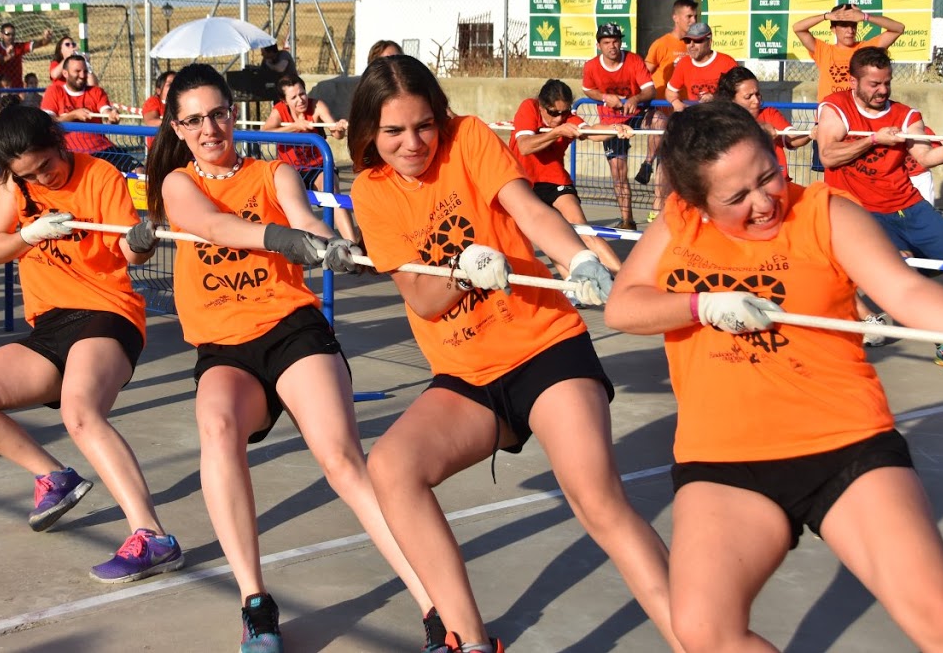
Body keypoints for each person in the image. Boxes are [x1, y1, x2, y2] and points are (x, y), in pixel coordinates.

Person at [604, 99, 943, 653]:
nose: (763, 203)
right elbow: (624, 307)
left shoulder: (826, 212)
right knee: (704, 631)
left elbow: (904, 290)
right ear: (698, 202)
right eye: (736, 197)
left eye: (768, 177)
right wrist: (700, 305)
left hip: (843, 443)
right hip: (723, 457)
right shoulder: (677, 222)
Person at [347, 54, 681, 653]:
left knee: (596, 497)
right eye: (393, 131)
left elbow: (528, 208)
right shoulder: (370, 192)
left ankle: (697, 639)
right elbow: (421, 298)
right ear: (369, 131)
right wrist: (462, 271)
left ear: (439, 116)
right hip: (467, 374)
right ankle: (470, 642)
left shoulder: (469, 138)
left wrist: (577, 258)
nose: (413, 143)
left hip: (545, 347)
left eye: (423, 125)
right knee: (391, 468)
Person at [144, 63, 438, 653]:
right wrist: (281, 239)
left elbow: (303, 220)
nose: (209, 129)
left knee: (341, 460)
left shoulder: (272, 172)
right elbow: (214, 225)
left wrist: (330, 246)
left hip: (290, 328)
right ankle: (256, 604)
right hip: (224, 345)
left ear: (234, 113)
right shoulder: (178, 183)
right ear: (176, 128)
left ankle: (437, 605)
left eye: (218, 114)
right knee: (217, 427)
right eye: (194, 120)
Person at [0, 104, 183, 582]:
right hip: (50, 323)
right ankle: (54, 477)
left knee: (80, 411)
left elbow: (127, 253)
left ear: (58, 140)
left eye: (46, 165)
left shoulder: (100, 176)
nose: (42, 179)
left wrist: (141, 240)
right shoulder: (15, 186)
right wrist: (28, 233)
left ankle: (153, 538)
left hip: (107, 313)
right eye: (28, 174)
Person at [818, 46, 943, 371]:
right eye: (874, 84)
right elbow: (828, 155)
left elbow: (926, 157)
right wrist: (873, 140)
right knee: (905, 269)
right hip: (865, 212)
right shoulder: (835, 108)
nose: (882, 90)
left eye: (887, 83)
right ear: (853, 82)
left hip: (909, 206)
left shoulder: (906, 115)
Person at [509, 78, 631, 271]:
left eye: (564, 112)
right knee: (551, 240)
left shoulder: (568, 119)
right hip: (524, 185)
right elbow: (524, 146)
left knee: (584, 231)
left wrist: (616, 129)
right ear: (541, 106)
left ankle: (624, 279)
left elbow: (591, 132)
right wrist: (556, 132)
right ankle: (573, 286)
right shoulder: (529, 107)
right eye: (553, 113)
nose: (559, 118)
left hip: (555, 181)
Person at [259, 75, 355, 241]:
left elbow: (336, 133)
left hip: (318, 166)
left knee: (332, 190)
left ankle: (352, 244)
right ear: (284, 101)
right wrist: (295, 127)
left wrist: (339, 128)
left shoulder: (317, 106)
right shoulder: (279, 111)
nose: (300, 100)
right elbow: (264, 134)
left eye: (302, 94)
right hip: (290, 170)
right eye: (294, 97)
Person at [580, 22, 654, 230]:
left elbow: (650, 90)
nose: (612, 46)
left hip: (637, 115)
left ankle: (649, 163)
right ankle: (627, 220)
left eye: (615, 41)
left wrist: (635, 99)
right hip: (612, 122)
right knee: (617, 170)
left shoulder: (633, 60)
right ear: (598, 45)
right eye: (606, 42)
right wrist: (605, 97)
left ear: (620, 42)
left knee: (661, 123)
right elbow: (587, 89)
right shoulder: (591, 66)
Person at [640, 0, 698, 197]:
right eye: (689, 16)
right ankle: (647, 163)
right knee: (663, 150)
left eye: (695, 16)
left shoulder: (694, 45)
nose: (693, 20)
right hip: (662, 108)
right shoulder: (662, 44)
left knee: (671, 161)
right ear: (676, 17)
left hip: (684, 110)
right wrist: (643, 101)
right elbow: (643, 74)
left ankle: (664, 203)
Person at [794, 3, 906, 103]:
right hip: (830, 113)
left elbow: (898, 28)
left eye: (853, 26)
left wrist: (865, 17)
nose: (850, 31)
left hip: (855, 113)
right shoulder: (823, 50)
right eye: (844, 25)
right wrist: (826, 16)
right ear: (833, 29)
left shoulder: (865, 49)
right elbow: (798, 28)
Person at [714, 66, 810, 180]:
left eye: (757, 94)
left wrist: (812, 133)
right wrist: (759, 129)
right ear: (731, 100)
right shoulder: (723, 120)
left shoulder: (769, 114)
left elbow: (792, 138)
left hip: (777, 182)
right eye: (748, 97)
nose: (756, 101)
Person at [40, 53, 127, 169]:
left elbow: (106, 110)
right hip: (70, 152)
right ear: (65, 73)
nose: (82, 75)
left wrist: (111, 116)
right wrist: (73, 115)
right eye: (77, 71)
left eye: (85, 71)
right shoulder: (54, 91)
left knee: (138, 171)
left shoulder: (96, 92)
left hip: (102, 148)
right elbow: (47, 121)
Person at [665, 22, 737, 112]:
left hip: (722, 115)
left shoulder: (727, 63)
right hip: (696, 116)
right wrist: (676, 102)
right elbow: (670, 91)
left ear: (709, 42)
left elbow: (739, 92)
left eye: (697, 40)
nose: (691, 45)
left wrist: (715, 97)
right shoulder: (683, 63)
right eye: (687, 41)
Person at [0, 13, 51, 90]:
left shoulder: (19, 47)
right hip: (1, 89)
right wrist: (8, 57)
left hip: (17, 88)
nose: (11, 36)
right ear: (1, 35)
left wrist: (46, 39)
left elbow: (39, 43)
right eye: (8, 34)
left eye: (13, 34)